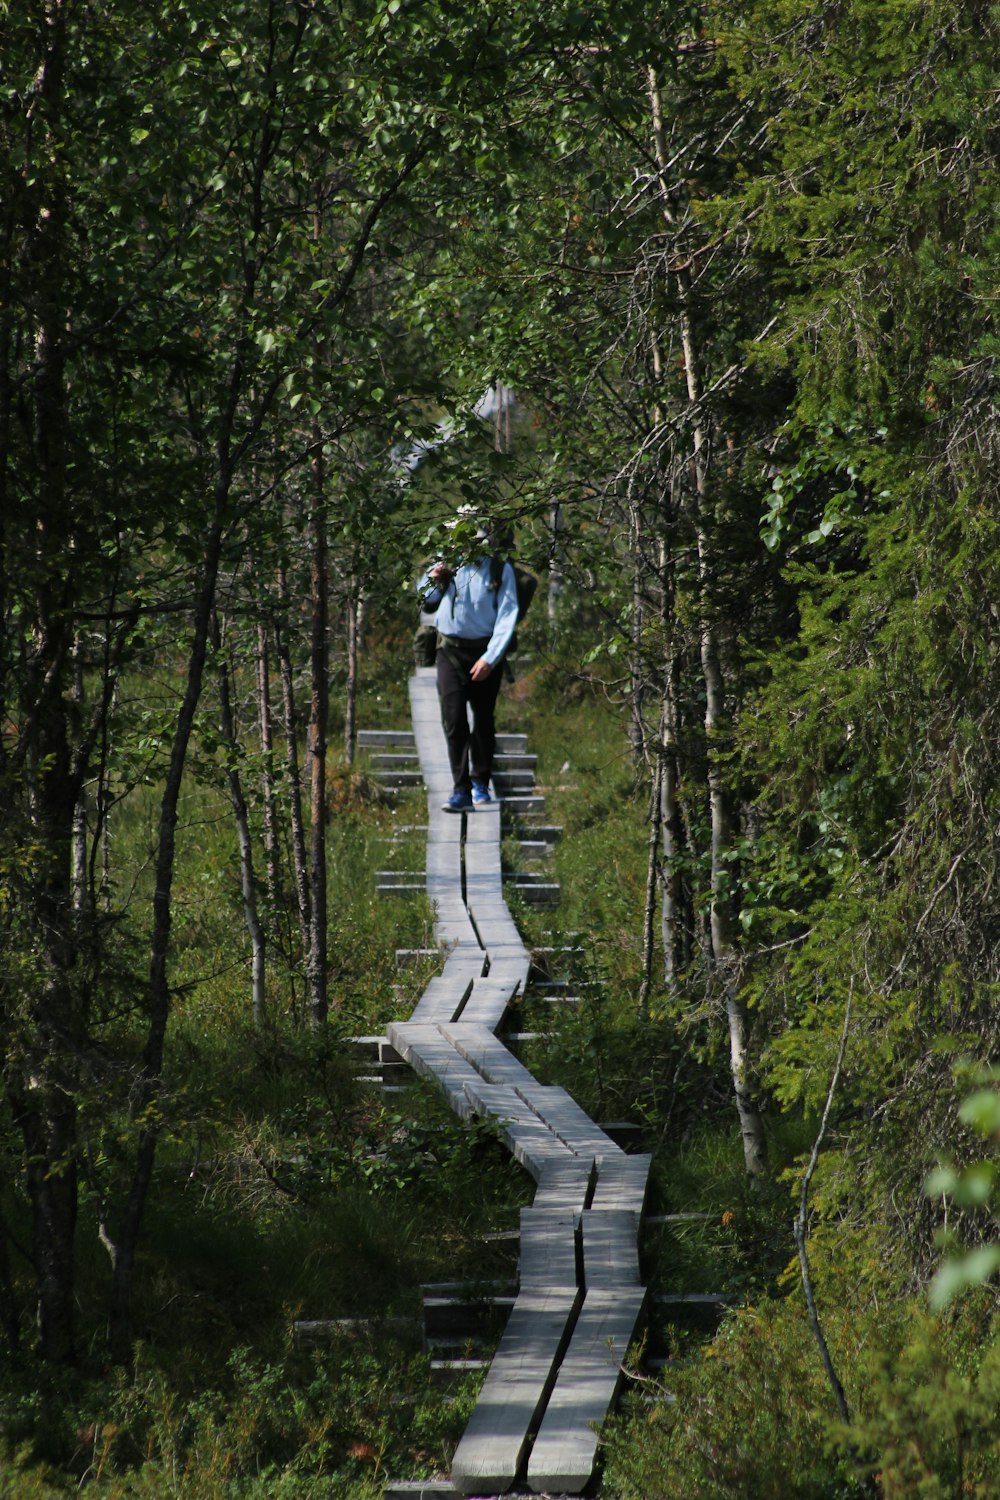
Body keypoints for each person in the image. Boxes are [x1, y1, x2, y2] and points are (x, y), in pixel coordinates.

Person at [418, 535, 518, 812]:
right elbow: (424, 600)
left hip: (485, 653)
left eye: (473, 538)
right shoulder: (447, 563)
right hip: (449, 651)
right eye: (462, 537)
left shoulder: (499, 569)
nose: (467, 543)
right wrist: (434, 579)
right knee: (453, 719)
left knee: (483, 719)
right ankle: (460, 790)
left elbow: (508, 615)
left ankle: (480, 782)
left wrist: (491, 657)